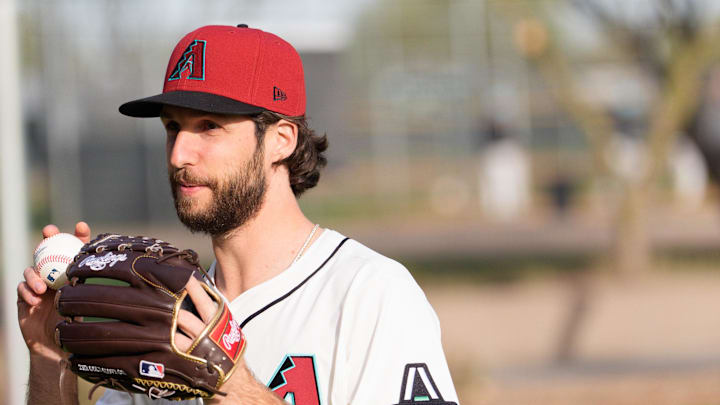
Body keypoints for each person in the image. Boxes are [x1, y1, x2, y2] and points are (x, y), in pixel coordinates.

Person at [17, 24, 459, 405]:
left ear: (282, 139)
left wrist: (238, 388)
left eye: (209, 126)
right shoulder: (161, 309)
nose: (179, 154)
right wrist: (47, 357)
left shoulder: (369, 294)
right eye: (173, 126)